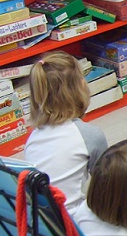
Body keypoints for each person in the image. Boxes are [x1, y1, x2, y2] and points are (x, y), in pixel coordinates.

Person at [25, 52, 107, 215]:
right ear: (81, 88)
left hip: (41, 221)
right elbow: (109, 185)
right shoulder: (89, 135)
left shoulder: (33, 138)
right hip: (73, 224)